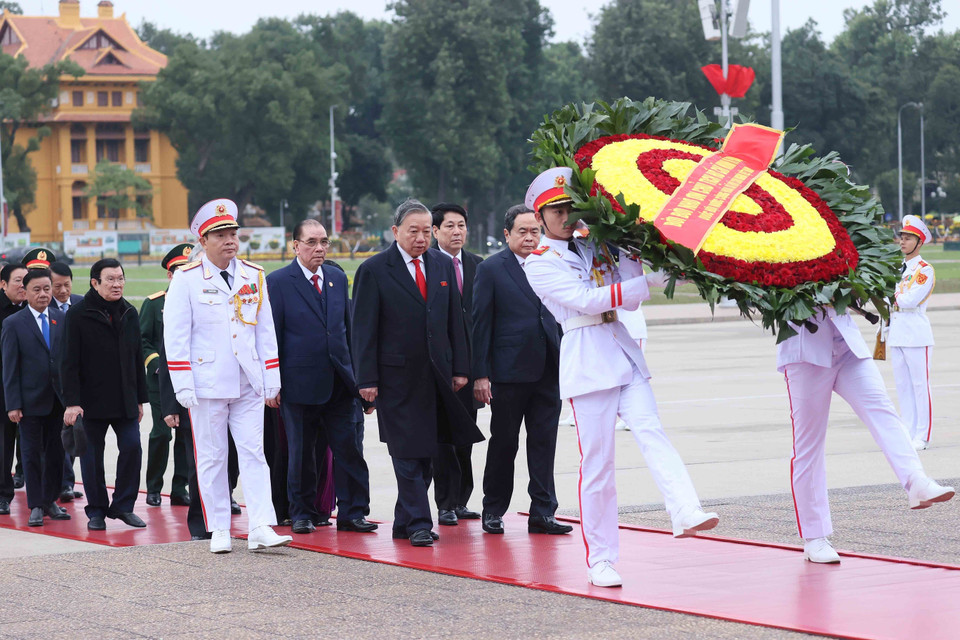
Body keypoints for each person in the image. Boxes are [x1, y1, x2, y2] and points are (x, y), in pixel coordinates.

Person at [523, 167, 719, 588]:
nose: (564, 214)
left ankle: (684, 508)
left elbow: (630, 285)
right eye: (554, 209)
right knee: (598, 466)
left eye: (569, 205)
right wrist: (644, 283)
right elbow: (586, 300)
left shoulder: (596, 242)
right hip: (587, 356)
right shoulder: (538, 263)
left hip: (621, 347)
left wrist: (663, 263)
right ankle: (602, 560)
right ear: (538, 218)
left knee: (651, 430)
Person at [352, 198, 484, 547]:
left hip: (438, 377)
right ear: (395, 231)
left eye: (427, 231)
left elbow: (455, 321)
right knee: (406, 453)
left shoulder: (441, 265)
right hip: (395, 378)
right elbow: (363, 330)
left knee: (427, 454)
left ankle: (403, 520)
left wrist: (460, 369)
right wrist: (366, 380)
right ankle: (420, 524)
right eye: (414, 231)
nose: (421, 238)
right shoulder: (375, 270)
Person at [164, 198, 291, 554]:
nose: (229, 240)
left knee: (254, 453)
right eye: (219, 234)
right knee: (212, 456)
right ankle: (218, 526)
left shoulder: (253, 275)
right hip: (206, 383)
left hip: (247, 380)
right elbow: (176, 336)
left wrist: (272, 379)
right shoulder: (187, 279)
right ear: (203, 241)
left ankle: (260, 525)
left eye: (232, 232)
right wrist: (182, 383)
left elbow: (265, 331)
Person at [778, 307, 954, 564]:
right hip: (805, 352)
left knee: (883, 411)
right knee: (808, 446)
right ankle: (815, 537)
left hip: (848, 346)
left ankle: (916, 481)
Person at [266, 219, 376, 535]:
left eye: (324, 242)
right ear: (295, 245)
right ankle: (301, 513)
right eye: (312, 242)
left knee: (349, 451)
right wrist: (272, 382)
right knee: (301, 454)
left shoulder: (337, 279)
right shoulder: (278, 282)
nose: (319, 248)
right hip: (298, 384)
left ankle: (353, 512)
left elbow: (348, 330)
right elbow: (271, 336)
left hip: (340, 383)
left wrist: (361, 379)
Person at [472, 204, 570, 536]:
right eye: (522, 232)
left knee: (544, 443)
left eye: (534, 231)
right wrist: (481, 374)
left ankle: (543, 512)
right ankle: (493, 509)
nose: (529, 238)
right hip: (508, 372)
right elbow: (480, 324)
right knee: (504, 443)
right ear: (507, 234)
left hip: (549, 369)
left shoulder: (553, 263)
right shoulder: (491, 269)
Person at [61, 258, 148, 531]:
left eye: (120, 278)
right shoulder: (78, 314)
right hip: (89, 402)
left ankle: (123, 506)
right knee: (91, 458)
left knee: (133, 447)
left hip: (124, 399)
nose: (117, 284)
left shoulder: (129, 312)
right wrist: (72, 403)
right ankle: (96, 510)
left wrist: (139, 399)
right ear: (94, 282)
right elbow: (68, 362)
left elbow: (137, 357)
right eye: (110, 279)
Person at [1, 268, 70, 526]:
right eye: (37, 290)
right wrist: (13, 404)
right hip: (29, 402)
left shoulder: (62, 319)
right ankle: (35, 505)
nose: (43, 294)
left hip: (58, 401)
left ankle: (51, 500)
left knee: (56, 452)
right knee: (30, 454)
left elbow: (68, 361)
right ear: (26, 292)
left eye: (46, 289)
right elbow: (10, 367)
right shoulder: (14, 323)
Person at [430, 202, 483, 526]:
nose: (457, 231)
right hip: (438, 369)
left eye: (461, 225)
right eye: (449, 226)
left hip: (471, 370)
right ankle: (445, 503)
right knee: (442, 442)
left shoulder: (479, 266)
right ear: (435, 231)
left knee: (465, 439)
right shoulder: (430, 267)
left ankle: (461, 500)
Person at [140, 244, 193, 507]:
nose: (183, 274)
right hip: (161, 380)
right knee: (161, 433)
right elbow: (143, 340)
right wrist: (156, 363)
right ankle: (153, 487)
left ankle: (179, 487)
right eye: (178, 270)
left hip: (191, 379)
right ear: (170, 275)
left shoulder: (200, 300)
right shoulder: (154, 303)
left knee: (186, 435)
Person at [887, 215, 935, 451]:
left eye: (908, 238)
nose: (902, 241)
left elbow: (909, 300)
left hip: (916, 334)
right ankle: (907, 430)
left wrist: (891, 295)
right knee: (903, 386)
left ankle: (922, 435)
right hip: (897, 332)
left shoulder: (924, 270)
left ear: (919, 242)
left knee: (919, 385)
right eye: (902, 237)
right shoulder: (898, 268)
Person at [48, 260, 84, 503]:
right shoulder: (42, 307)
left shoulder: (81, 304)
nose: (62, 291)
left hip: (76, 380)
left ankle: (66, 482)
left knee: (72, 433)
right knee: (57, 434)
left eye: (66, 285)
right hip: (50, 382)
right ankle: (62, 484)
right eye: (57, 286)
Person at [0, 262, 27, 516]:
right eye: (17, 281)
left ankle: (43, 496)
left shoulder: (39, 307)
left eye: (25, 280)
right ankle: (2, 494)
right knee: (4, 442)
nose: (23, 286)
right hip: (3, 387)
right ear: (3, 284)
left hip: (32, 386)